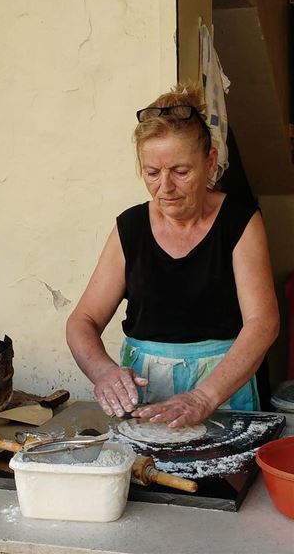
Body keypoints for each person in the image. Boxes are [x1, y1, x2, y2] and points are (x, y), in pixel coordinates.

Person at [66, 83, 279, 428]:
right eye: (152, 173)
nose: (165, 187)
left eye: (181, 171)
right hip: (146, 397)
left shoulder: (239, 221)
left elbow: (263, 323)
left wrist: (204, 397)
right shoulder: (131, 227)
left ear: (209, 162)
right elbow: (82, 321)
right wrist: (103, 372)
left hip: (224, 392)